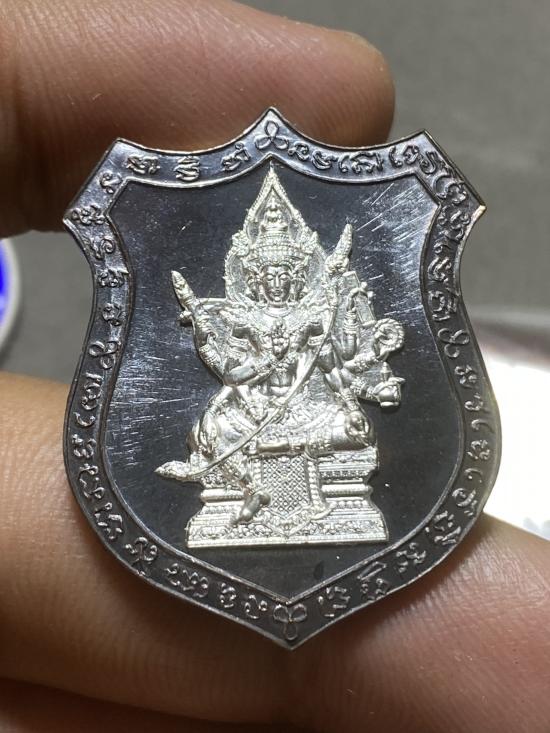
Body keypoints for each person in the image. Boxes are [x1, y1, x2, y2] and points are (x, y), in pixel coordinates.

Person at [0, 1, 548, 731]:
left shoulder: (326, 300)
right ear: (252, 272)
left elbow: (356, 357)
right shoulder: (235, 312)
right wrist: (230, 346)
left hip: (313, 403)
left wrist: (338, 339)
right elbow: (224, 365)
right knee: (218, 427)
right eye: (271, 275)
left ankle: (300, 496)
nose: (283, 283)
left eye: (292, 274)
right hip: (253, 404)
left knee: (348, 431)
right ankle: (241, 491)